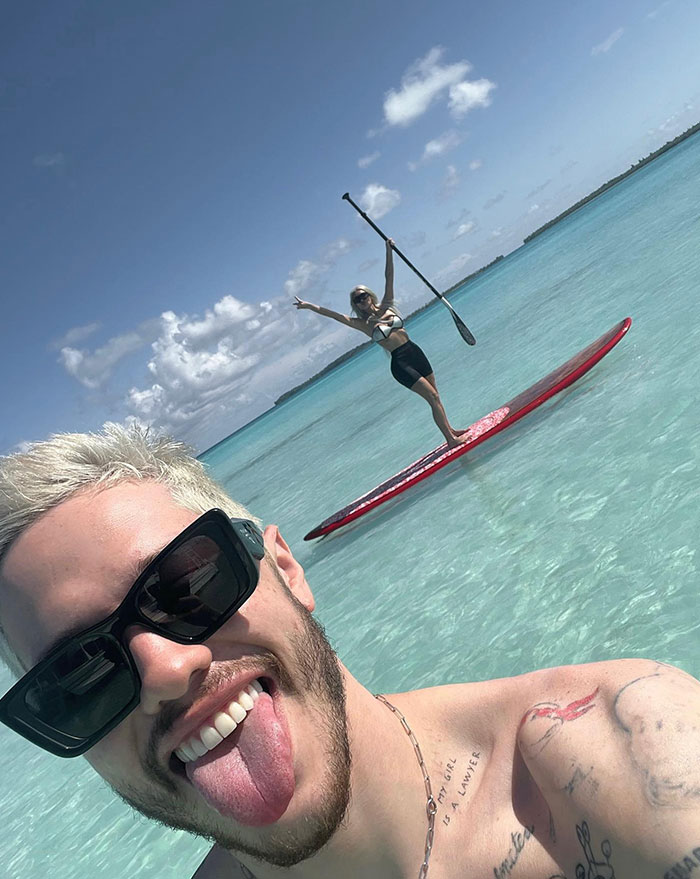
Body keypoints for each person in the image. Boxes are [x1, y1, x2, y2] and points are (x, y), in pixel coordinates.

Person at [0, 424, 699, 879]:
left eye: (186, 582)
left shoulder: (617, 763)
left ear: (287, 567)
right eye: (78, 674)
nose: (165, 670)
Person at [293, 238, 469, 448]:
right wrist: (309, 306)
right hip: (401, 363)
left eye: (363, 295)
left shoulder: (387, 306)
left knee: (436, 396)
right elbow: (334, 316)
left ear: (369, 295)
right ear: (355, 304)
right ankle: (450, 440)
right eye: (357, 299)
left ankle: (451, 430)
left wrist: (388, 250)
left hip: (415, 351)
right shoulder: (363, 324)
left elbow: (389, 277)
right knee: (431, 396)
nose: (362, 300)